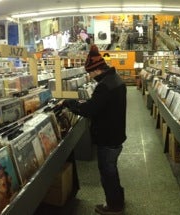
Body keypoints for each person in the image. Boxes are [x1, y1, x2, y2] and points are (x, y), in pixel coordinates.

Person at [63, 44, 127, 215]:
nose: (90, 77)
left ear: (97, 70)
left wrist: (72, 104)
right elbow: (103, 106)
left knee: (107, 172)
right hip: (116, 134)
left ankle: (114, 206)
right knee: (112, 169)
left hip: (107, 137)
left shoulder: (104, 86)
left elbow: (89, 110)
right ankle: (118, 198)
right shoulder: (117, 80)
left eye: (90, 73)